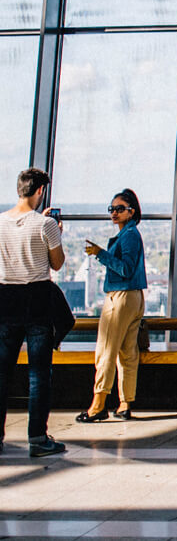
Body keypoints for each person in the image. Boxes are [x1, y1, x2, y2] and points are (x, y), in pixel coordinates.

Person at [0, 168, 69, 457]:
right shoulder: (46, 225)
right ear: (40, 191)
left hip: (5, 299)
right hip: (37, 300)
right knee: (39, 374)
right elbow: (57, 264)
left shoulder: (0, 222)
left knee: (2, 372)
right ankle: (38, 439)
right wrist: (57, 232)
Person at [77, 188, 147, 423]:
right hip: (134, 298)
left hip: (120, 297)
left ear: (132, 211)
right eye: (112, 209)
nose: (114, 213)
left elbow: (125, 268)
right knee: (127, 352)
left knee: (106, 350)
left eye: (119, 209)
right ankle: (125, 403)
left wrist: (100, 254)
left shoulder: (128, 236)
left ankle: (98, 405)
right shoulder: (131, 234)